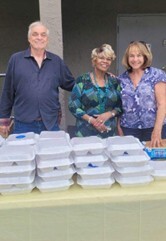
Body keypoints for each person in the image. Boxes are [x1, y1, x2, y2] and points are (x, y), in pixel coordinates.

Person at [0, 21, 75, 136]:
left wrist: (94, 78)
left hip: (50, 123)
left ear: (47, 39)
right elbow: (7, 91)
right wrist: (4, 120)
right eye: (35, 34)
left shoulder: (56, 62)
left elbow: (72, 85)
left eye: (43, 35)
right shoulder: (16, 60)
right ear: (29, 38)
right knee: (24, 153)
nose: (39, 38)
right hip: (23, 124)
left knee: (51, 153)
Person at [117, 41, 166, 147]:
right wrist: (119, 127)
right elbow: (120, 106)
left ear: (145, 57)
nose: (135, 59)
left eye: (139, 55)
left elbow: (162, 104)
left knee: (154, 161)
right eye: (132, 56)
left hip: (153, 128)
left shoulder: (157, 75)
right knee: (130, 160)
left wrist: (157, 131)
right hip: (128, 129)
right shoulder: (121, 79)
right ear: (127, 58)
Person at [68, 44, 122, 138]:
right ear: (94, 60)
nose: (105, 61)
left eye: (108, 59)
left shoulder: (114, 82)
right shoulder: (83, 80)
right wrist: (92, 121)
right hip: (85, 133)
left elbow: (120, 106)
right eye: (101, 58)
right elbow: (73, 106)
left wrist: (109, 114)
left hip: (108, 133)